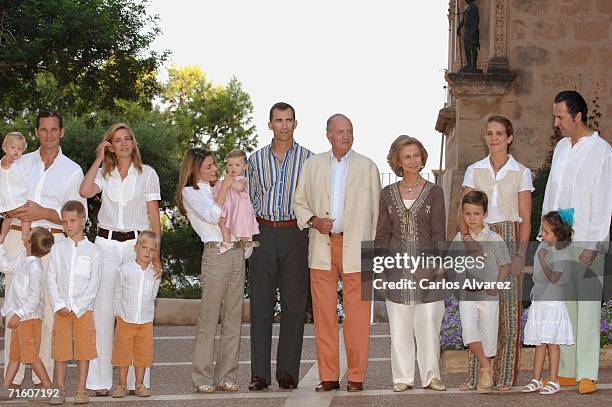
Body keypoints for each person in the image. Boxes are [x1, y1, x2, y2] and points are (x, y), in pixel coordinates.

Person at [293, 113, 381, 392]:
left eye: (349, 131)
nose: (345, 135)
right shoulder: (313, 164)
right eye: (340, 131)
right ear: (328, 135)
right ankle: (328, 376)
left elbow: (377, 215)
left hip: (358, 248)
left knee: (357, 317)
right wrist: (313, 221)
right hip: (322, 247)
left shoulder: (368, 166)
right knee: (324, 315)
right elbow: (299, 202)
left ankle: (356, 376)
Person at [3, 110, 86, 388]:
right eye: (43, 129)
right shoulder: (20, 163)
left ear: (61, 132)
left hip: (52, 241)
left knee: (48, 309)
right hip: (18, 238)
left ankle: (43, 378)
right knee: (15, 306)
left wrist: (44, 212)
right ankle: (11, 378)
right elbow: (3, 196)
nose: (48, 135)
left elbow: (75, 213)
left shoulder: (72, 170)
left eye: (54, 130)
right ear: (36, 132)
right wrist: (17, 211)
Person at [80, 123, 162, 395]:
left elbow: (153, 216)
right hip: (105, 246)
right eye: (117, 140)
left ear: (133, 143)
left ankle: (138, 382)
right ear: (110, 145)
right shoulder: (105, 173)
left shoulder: (147, 173)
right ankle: (100, 381)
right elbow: (85, 191)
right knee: (102, 314)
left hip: (136, 248)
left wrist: (156, 255)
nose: (124, 143)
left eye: (128, 139)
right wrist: (99, 158)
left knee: (137, 314)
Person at [542, 90, 611, 394]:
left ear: (578, 115)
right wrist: (545, 232)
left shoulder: (602, 151)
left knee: (586, 307)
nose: (556, 122)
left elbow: (604, 201)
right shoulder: (559, 149)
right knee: (564, 307)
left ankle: (587, 372)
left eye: (560, 116)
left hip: (586, 239)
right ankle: (567, 370)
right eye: (555, 116)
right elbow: (551, 194)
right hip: (558, 239)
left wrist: (594, 244)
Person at [458, 114, 533, 391]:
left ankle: (504, 377)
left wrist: (520, 255)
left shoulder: (521, 172)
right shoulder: (474, 169)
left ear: (509, 138)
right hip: (480, 236)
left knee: (509, 311)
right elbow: (463, 208)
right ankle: (477, 374)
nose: (494, 138)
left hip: (510, 237)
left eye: (499, 133)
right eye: (489, 133)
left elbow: (525, 217)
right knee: (478, 306)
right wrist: (467, 238)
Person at [247, 102, 313, 391]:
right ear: (269, 124)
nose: (284, 125)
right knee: (260, 306)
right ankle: (259, 374)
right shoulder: (255, 160)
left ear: (296, 124)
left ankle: (287, 372)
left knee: (294, 307)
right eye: (278, 120)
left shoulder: (310, 160)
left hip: (295, 235)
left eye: (289, 120)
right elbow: (248, 200)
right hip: (263, 233)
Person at [374, 135, 446, 392]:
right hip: (396, 268)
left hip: (428, 267)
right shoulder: (387, 194)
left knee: (428, 322)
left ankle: (432, 376)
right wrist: (380, 271)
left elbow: (439, 233)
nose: (413, 160)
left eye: (417, 155)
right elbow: (382, 234)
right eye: (407, 156)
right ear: (398, 161)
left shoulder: (435, 192)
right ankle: (402, 378)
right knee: (400, 325)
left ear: (422, 157)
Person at [177, 148, 245, 393]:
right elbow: (213, 214)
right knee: (209, 319)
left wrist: (244, 248)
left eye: (215, 165)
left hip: (237, 252)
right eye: (209, 166)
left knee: (233, 319)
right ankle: (202, 377)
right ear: (195, 170)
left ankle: (227, 375)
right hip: (216, 254)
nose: (216, 169)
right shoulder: (191, 193)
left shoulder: (218, 188)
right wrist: (226, 188)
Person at [455, 191, 511, 393]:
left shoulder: (495, 239)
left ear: (485, 214)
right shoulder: (460, 239)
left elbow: (505, 265)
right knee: (469, 333)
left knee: (488, 339)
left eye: (476, 214)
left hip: (488, 297)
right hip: (467, 295)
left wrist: (497, 284)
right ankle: (486, 367)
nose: (471, 218)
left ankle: (486, 373)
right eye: (467, 214)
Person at [47, 201, 101, 405]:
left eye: (72, 221)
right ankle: (58, 388)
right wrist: (59, 304)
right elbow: (51, 278)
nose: (68, 225)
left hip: (83, 311)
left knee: (83, 351)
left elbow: (93, 283)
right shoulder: (57, 248)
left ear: (82, 220)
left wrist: (78, 307)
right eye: (64, 221)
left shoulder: (93, 251)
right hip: (61, 310)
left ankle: (81, 389)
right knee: (60, 351)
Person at [521, 210, 575, 395]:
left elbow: (553, 277)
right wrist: (523, 269)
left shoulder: (563, 254)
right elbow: (538, 273)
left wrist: (543, 260)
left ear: (558, 235)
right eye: (542, 231)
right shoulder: (542, 247)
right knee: (539, 343)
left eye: (546, 232)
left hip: (552, 305)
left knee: (552, 343)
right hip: (540, 303)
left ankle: (553, 379)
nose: (542, 235)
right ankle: (536, 379)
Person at [0, 227, 55, 401]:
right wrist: (1, 243)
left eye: (28, 234)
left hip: (29, 319)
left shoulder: (35, 268)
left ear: (29, 243)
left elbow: (34, 297)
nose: (24, 235)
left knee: (31, 356)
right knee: (14, 355)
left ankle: (49, 388)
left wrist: (19, 313)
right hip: (20, 319)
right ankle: (6, 388)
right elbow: (5, 265)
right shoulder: (23, 258)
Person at [110, 231, 161, 398]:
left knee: (143, 354)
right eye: (144, 247)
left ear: (155, 252)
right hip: (126, 318)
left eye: (152, 249)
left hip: (145, 321)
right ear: (136, 248)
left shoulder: (155, 273)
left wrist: (148, 311)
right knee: (122, 353)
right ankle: (121, 385)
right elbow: (117, 292)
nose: (147, 252)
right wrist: (118, 312)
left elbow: (153, 294)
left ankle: (139, 385)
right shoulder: (125, 270)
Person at [214, 149, 258, 254]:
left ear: (245, 167)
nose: (233, 168)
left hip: (240, 207)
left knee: (242, 225)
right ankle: (226, 241)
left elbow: (240, 188)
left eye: (237, 165)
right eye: (230, 165)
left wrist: (230, 181)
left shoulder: (242, 179)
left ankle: (246, 241)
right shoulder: (225, 179)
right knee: (221, 220)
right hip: (228, 206)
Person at [0, 132, 30, 243]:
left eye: (20, 149)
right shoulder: (1, 163)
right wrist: (5, 163)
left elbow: (26, 182)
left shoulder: (21, 165)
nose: (16, 151)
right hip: (7, 201)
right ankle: (2, 237)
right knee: (7, 219)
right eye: (13, 147)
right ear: (5, 148)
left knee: (26, 217)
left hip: (19, 200)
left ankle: (25, 235)